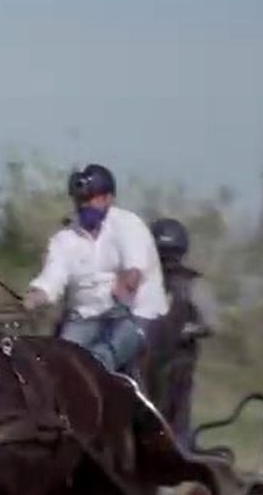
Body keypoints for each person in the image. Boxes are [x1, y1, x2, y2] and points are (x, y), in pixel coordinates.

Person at [21, 163, 169, 376]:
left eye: (91, 199)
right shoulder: (63, 240)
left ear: (108, 198)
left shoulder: (128, 225)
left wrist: (124, 285)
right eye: (80, 200)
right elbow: (51, 280)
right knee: (57, 364)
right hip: (85, 318)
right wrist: (34, 298)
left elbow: (134, 272)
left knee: (99, 358)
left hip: (133, 315)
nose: (84, 206)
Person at [147, 217, 220, 439]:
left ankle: (179, 444)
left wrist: (186, 330)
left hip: (177, 357)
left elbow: (210, 323)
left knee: (177, 402)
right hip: (153, 355)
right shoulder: (146, 279)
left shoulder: (191, 283)